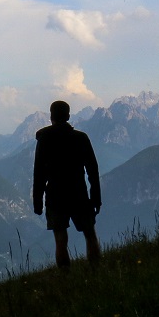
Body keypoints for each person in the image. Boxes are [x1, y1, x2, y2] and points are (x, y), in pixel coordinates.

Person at [32, 100, 102, 268]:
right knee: (90, 234)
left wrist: (37, 202)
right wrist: (96, 198)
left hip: (55, 195)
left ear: (51, 117)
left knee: (60, 239)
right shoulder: (81, 138)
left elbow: (39, 173)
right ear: (68, 116)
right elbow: (93, 170)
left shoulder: (44, 140)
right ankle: (96, 271)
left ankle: (65, 276)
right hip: (79, 193)